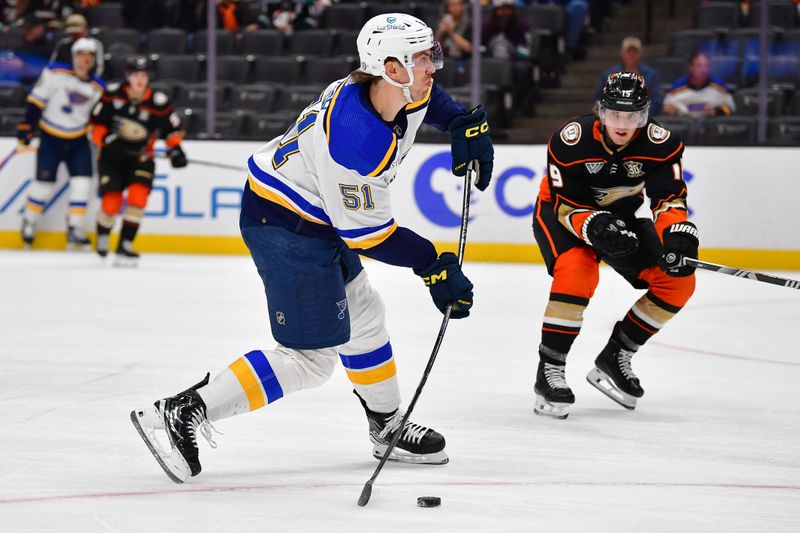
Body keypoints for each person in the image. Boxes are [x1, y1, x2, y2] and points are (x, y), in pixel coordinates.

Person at [130, 13, 494, 483]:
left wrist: (459, 120)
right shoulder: (357, 140)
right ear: (391, 67)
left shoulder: (397, 89)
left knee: (364, 316)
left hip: (313, 217)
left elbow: (431, 102)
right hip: (285, 225)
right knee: (309, 359)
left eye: (430, 55)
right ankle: (179, 412)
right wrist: (432, 265)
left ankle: (386, 426)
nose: (434, 67)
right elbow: (368, 236)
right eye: (422, 58)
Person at [532, 71, 698, 419]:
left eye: (633, 116)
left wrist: (677, 234)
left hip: (619, 216)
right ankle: (550, 369)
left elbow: (668, 200)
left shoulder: (661, 145)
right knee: (577, 274)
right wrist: (592, 225)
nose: (623, 125)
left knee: (677, 281)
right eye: (615, 115)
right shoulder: (570, 141)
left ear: (646, 115)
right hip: (562, 215)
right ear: (600, 111)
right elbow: (565, 206)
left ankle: (616, 356)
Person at [89, 56, 187, 266]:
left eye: (143, 75)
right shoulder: (112, 94)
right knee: (111, 202)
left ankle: (125, 244)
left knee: (138, 197)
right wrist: (105, 139)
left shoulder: (158, 103)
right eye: (135, 75)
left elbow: (173, 130)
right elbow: (95, 124)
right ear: (128, 77)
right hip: (111, 158)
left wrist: (175, 149)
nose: (140, 80)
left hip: (142, 158)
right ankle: (103, 233)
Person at [18, 37, 104, 248]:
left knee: (83, 183)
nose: (85, 60)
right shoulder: (54, 74)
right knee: (43, 185)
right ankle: (29, 221)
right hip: (50, 137)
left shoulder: (98, 87)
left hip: (78, 140)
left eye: (89, 56)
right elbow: (36, 101)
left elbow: (99, 117)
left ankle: (75, 227)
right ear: (74, 56)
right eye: (81, 55)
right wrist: (27, 125)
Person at [597, 36, 662, 115]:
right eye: (628, 51)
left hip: (643, 116)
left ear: (640, 53)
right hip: (614, 117)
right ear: (622, 53)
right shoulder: (610, 75)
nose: (631, 55)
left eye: (635, 51)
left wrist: (642, 116)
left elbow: (656, 100)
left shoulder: (651, 75)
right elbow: (599, 99)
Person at [662, 51, 735, 119]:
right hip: (686, 125)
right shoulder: (679, 85)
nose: (703, 70)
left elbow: (731, 108)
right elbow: (666, 108)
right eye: (699, 66)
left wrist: (717, 111)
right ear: (690, 67)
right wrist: (673, 111)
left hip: (710, 125)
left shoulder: (718, 85)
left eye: (706, 66)